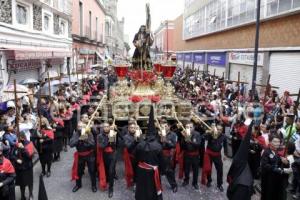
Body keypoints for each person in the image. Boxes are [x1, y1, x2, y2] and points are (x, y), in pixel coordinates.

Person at [135, 106, 163, 200]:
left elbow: (136, 158)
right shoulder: (158, 146)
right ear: (155, 134)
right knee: (153, 188)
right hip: (153, 171)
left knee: (142, 188)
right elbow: (161, 161)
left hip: (142, 171)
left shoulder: (140, 145)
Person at [70, 121, 97, 193]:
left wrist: (85, 140)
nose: (80, 128)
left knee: (92, 171)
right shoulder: (76, 134)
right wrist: (79, 139)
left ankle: (93, 185)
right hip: (80, 155)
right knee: (79, 171)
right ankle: (78, 185)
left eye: (82, 126)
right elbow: (71, 144)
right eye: (79, 127)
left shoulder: (89, 133)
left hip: (89, 155)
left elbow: (93, 144)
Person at [261, 135, 290, 200]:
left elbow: (280, 163)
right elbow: (265, 165)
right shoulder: (266, 152)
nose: (277, 143)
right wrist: (276, 169)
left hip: (275, 180)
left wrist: (286, 163)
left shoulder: (277, 152)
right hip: (267, 179)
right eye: (275, 142)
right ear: (270, 142)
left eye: (278, 142)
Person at [201, 125, 226, 192]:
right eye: (217, 129)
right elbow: (203, 137)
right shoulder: (211, 134)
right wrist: (209, 132)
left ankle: (219, 184)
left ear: (222, 130)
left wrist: (225, 154)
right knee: (209, 168)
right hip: (209, 154)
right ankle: (209, 180)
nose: (218, 130)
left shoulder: (224, 136)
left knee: (220, 169)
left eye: (220, 129)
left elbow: (225, 146)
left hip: (217, 155)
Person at [12, 132, 35, 200]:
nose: (17, 139)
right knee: (22, 183)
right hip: (19, 168)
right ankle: (22, 195)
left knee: (29, 182)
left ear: (22, 137)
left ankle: (31, 194)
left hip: (27, 167)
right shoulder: (16, 144)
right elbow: (12, 155)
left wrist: (23, 148)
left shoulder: (29, 143)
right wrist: (16, 160)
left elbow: (30, 156)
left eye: (18, 137)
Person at [98, 121, 117, 198]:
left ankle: (111, 189)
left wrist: (112, 137)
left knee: (111, 171)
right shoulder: (100, 136)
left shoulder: (112, 133)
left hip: (112, 154)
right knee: (106, 170)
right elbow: (102, 146)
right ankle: (107, 181)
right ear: (102, 128)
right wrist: (108, 139)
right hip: (104, 155)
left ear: (109, 127)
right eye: (104, 127)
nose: (106, 128)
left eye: (107, 126)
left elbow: (113, 146)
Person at [181, 121, 202, 190]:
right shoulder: (184, 134)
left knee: (195, 170)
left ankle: (195, 183)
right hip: (187, 155)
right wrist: (184, 139)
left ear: (194, 128)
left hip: (195, 155)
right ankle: (186, 180)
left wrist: (190, 141)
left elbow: (199, 145)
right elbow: (182, 146)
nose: (189, 128)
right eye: (187, 127)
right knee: (186, 169)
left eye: (190, 127)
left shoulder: (197, 134)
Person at [159, 120, 178, 192]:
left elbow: (174, 145)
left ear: (169, 127)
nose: (164, 128)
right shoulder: (159, 133)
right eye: (162, 126)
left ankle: (174, 185)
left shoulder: (173, 135)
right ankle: (158, 186)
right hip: (159, 153)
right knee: (157, 170)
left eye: (165, 126)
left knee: (169, 170)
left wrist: (165, 140)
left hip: (167, 154)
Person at [123, 121, 139, 188]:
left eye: (134, 128)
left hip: (139, 156)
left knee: (139, 171)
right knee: (133, 171)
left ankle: (138, 182)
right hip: (131, 157)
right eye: (131, 128)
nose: (133, 129)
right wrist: (135, 140)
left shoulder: (139, 135)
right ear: (128, 129)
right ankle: (134, 183)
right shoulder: (126, 137)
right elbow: (128, 146)